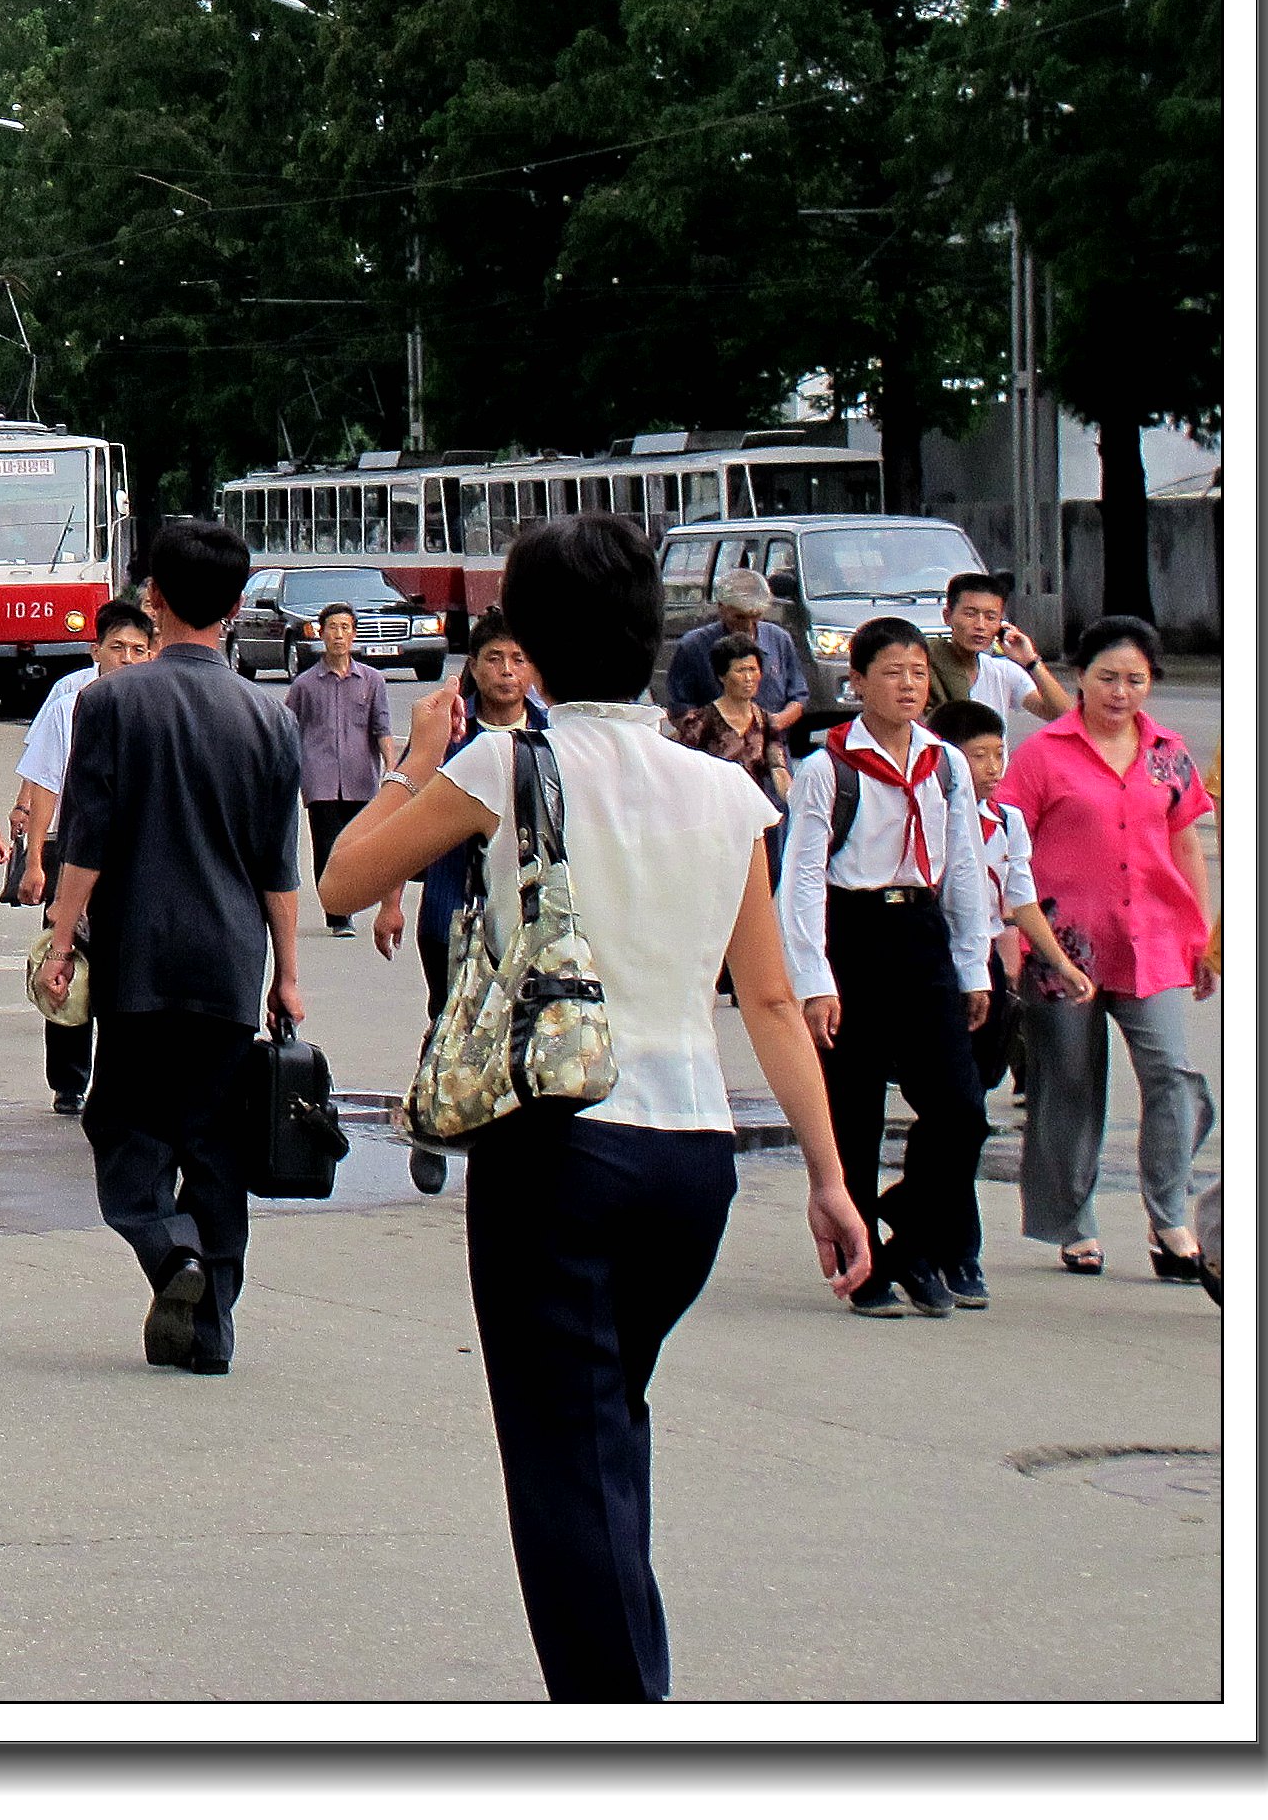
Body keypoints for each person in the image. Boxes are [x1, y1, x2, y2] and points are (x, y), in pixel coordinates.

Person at [314, 512, 870, 1703]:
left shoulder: (507, 762)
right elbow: (769, 999)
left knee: (562, 1455)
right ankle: (629, 1684)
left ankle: (621, 1720)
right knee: (610, 1424)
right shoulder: (725, 792)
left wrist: (417, 752)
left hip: (560, 1149)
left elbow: (345, 877)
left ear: (536, 645)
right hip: (693, 1159)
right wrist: (828, 1176)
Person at [34, 520, 300, 1377]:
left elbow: (88, 837)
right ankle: (212, 1333)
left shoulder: (109, 702)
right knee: (215, 1145)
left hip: (140, 958)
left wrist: (62, 938)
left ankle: (167, 1251)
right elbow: (277, 866)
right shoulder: (268, 716)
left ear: (153, 603)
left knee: (122, 1125)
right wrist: (288, 974)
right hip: (230, 961)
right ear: (233, 606)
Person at [780, 617, 994, 1318]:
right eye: (893, 673)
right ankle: (861, 1258)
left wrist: (974, 965)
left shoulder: (946, 763)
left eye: (918, 673)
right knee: (855, 1108)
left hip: (922, 930)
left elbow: (964, 864)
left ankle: (911, 1241)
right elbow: (804, 879)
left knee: (960, 1108)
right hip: (855, 932)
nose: (909, 685)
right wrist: (813, 982)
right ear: (859, 682)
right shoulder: (827, 768)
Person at [997, 617, 1219, 1283]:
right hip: (1062, 948)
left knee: (1173, 1077)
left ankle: (1170, 1216)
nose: (1120, 693)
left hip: (1151, 940)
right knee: (1068, 1084)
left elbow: (1184, 842)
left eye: (1135, 680)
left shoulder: (1167, 753)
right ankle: (1076, 1225)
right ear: (1081, 678)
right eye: (1107, 678)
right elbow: (1010, 850)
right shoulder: (1044, 754)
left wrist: (1202, 937)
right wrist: (1013, 939)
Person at [369, 609, 548, 1193]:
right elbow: (405, 813)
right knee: (450, 1018)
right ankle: (432, 1124)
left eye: (518, 660)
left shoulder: (549, 734)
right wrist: (391, 901)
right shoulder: (447, 732)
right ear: (472, 666)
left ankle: (507, 1128)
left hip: (527, 911)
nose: (506, 672)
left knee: (520, 1021)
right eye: (494, 659)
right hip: (450, 907)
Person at [4, 597, 156, 1113]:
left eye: (139, 649)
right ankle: (69, 1080)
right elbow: (45, 780)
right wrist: (35, 860)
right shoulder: (69, 697)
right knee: (65, 953)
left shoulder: (159, 702)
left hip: (136, 852)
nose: (128, 658)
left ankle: (120, 1079)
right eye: (118, 648)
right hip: (74, 845)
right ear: (96, 650)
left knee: (125, 966)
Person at [933, 697, 1093, 1124]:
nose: (992, 767)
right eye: (978, 756)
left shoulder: (1008, 821)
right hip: (935, 957)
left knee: (984, 1073)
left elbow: (1022, 900)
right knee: (951, 1090)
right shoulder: (929, 816)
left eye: (999, 754)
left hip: (986, 960)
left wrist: (1062, 964)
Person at [284, 603, 394, 936]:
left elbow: (382, 728)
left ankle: (351, 899)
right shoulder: (305, 685)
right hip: (320, 780)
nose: (339, 635)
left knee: (356, 846)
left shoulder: (371, 681)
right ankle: (338, 915)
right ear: (321, 633)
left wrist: (392, 767)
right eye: (332, 627)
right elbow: (290, 730)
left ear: (354, 633)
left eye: (346, 628)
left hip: (361, 777)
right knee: (328, 846)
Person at [935, 574, 1073, 732]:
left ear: (1001, 624)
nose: (980, 625)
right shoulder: (926, 669)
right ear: (947, 616)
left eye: (990, 617)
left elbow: (1063, 715)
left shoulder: (1004, 672)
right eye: (970, 614)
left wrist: (1031, 661)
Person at [665, 568, 804, 719]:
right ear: (721, 607)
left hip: (772, 737)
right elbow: (680, 706)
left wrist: (777, 722)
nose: (748, 625)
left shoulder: (779, 639)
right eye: (740, 617)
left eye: (756, 616)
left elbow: (798, 695)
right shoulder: (694, 645)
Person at [663, 639, 780, 815]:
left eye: (752, 670)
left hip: (750, 817)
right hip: (711, 814)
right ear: (722, 676)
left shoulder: (765, 721)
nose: (748, 678)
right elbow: (677, 770)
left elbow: (778, 767)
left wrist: (795, 798)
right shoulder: (700, 722)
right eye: (740, 671)